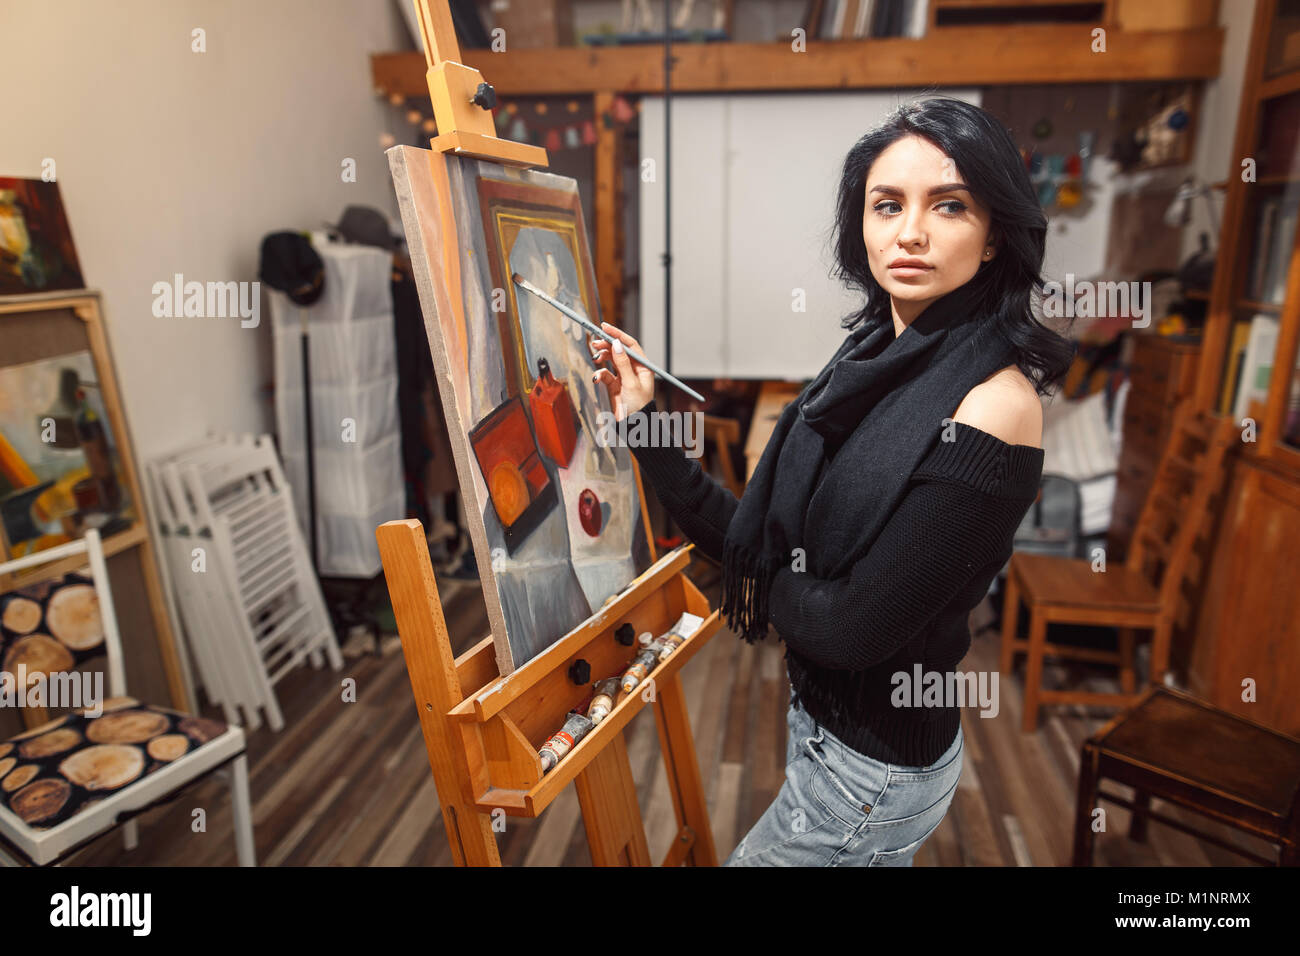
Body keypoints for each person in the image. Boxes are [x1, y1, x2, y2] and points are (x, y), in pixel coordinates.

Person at [588, 97, 1075, 867]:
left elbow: (852, 628)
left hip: (874, 770)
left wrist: (771, 573)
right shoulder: (869, 359)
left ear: (993, 238)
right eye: (887, 205)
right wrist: (644, 426)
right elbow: (751, 532)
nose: (909, 231)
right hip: (827, 730)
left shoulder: (995, 404)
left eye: (948, 206)